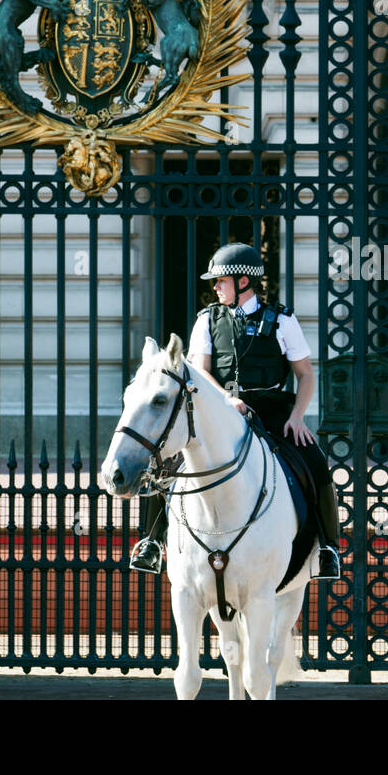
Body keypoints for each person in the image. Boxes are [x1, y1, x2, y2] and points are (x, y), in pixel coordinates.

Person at [129, 242, 342, 579]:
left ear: (243, 281)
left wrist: (297, 417)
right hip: (221, 408)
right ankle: (152, 542)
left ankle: (329, 548)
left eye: (220, 281)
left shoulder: (282, 320)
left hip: (272, 409)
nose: (214, 287)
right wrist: (226, 400)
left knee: (314, 459)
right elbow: (202, 371)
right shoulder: (206, 320)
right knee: (169, 461)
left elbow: (305, 375)